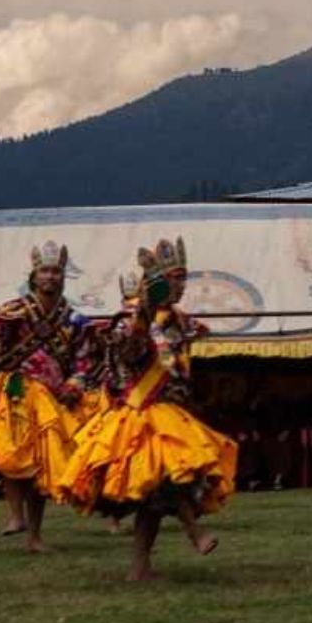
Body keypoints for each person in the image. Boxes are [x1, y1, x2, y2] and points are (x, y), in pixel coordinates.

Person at [66, 239, 237, 581]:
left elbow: (186, 351)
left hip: (169, 409)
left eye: (183, 278)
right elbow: (126, 352)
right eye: (174, 278)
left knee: (153, 498)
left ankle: (139, 569)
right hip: (139, 413)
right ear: (155, 283)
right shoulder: (131, 317)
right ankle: (194, 533)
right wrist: (145, 314)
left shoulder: (177, 319)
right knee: (170, 475)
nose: (181, 285)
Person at [0, 242, 87, 552]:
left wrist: (75, 383)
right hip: (17, 387)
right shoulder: (14, 311)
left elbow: (83, 359)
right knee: (12, 452)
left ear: (63, 276)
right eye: (45, 270)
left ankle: (35, 536)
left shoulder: (74, 318)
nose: (50, 277)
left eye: (56, 271)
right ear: (34, 275)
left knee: (41, 465)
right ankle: (16, 516)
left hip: (52, 396)